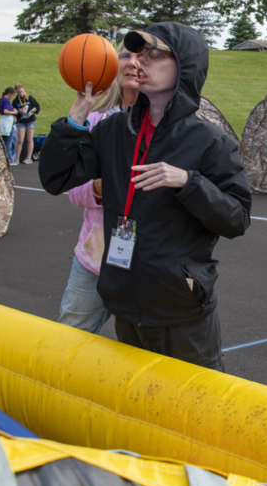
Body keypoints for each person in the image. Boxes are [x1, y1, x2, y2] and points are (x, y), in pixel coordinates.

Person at [39, 22, 251, 370]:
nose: (137, 62)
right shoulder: (113, 130)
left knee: (193, 406)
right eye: (135, 53)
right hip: (125, 301)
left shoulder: (210, 142)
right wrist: (76, 117)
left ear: (184, 65)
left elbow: (236, 218)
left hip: (179, 307)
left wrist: (188, 182)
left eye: (153, 54)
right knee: (142, 401)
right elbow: (55, 178)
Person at [57, 51, 140, 335]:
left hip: (149, 263)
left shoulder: (168, 127)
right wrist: (101, 187)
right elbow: (73, 192)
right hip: (95, 258)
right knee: (69, 339)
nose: (133, 62)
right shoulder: (96, 122)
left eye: (143, 56)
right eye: (125, 54)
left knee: (141, 351)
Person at [13, 84, 41, 165]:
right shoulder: (16, 100)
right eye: (19, 92)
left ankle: (28, 158)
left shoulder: (30, 98)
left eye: (22, 91)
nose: (21, 93)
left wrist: (34, 109)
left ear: (23, 90)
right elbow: (14, 110)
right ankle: (17, 158)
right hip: (21, 121)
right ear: (16, 92)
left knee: (29, 139)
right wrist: (19, 110)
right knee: (20, 140)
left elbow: (37, 106)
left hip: (30, 120)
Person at [0, 87, 19, 163]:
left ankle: (1, 158)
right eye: (12, 95)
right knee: (8, 142)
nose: (12, 97)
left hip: (3, 120)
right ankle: (9, 159)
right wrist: (14, 112)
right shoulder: (6, 100)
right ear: (9, 94)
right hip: (7, 121)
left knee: (3, 141)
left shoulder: (1, 100)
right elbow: (5, 111)